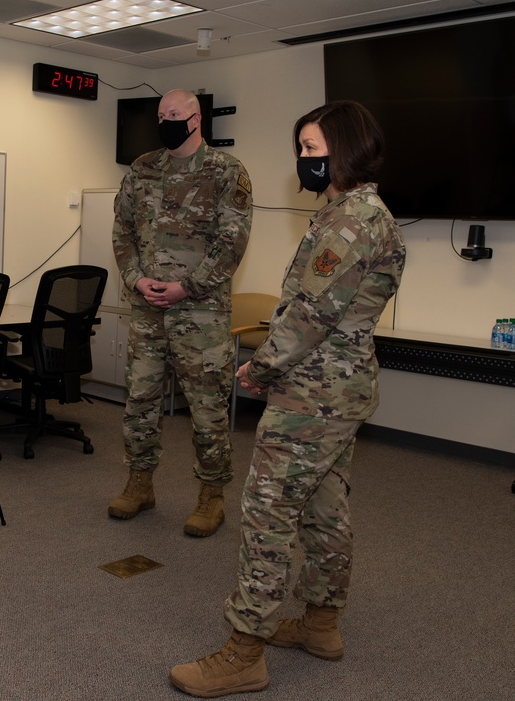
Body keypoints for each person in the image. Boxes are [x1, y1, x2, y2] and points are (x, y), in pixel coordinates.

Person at [169, 100, 405, 696]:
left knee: (267, 513)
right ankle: (321, 624)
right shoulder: (348, 213)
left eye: (313, 149)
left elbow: (312, 313)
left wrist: (261, 367)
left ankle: (245, 649)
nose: (303, 160)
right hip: (334, 389)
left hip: (313, 393)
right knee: (325, 509)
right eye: (301, 149)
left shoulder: (352, 219)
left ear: (345, 149)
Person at [108, 89, 252, 536]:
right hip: (148, 309)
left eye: (174, 114)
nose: (166, 120)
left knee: (207, 408)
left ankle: (212, 497)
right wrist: (134, 278)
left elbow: (232, 243)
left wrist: (185, 287)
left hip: (201, 314)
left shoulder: (227, 172)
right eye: (160, 114)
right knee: (140, 402)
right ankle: (139, 484)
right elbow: (123, 231)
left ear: (196, 119)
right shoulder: (142, 168)